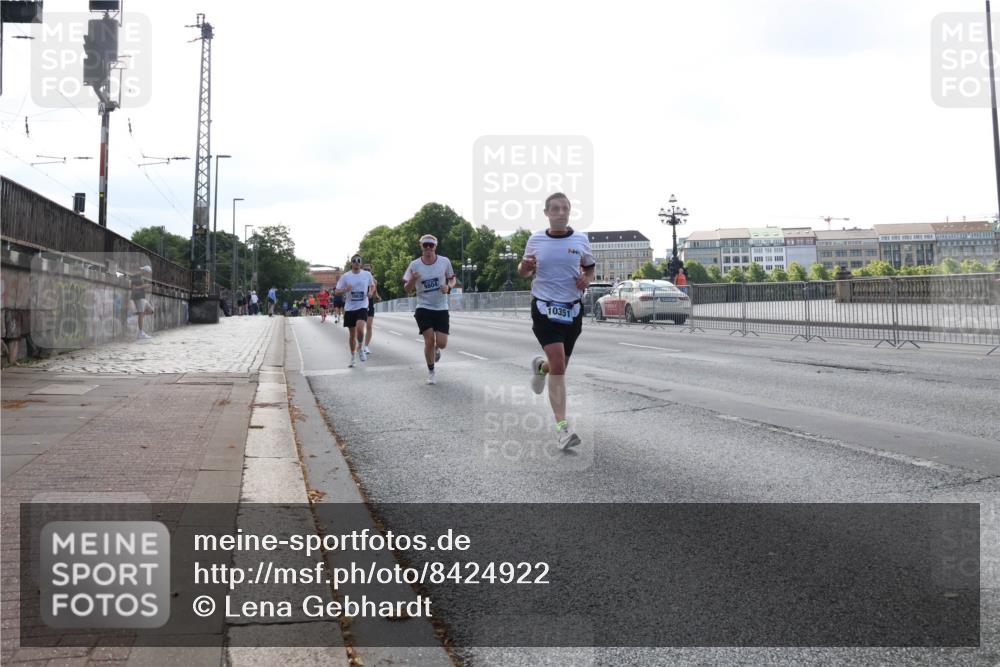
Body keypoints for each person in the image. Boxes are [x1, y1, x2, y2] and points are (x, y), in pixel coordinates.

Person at [518, 192, 595, 450]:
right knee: (560, 364)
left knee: (557, 366)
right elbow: (524, 270)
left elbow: (589, 267)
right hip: (544, 306)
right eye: (555, 209)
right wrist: (525, 266)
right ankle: (563, 429)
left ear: (569, 211)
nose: (560, 212)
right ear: (547, 213)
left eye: (565, 208)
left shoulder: (581, 239)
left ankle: (541, 368)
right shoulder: (536, 239)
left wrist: (588, 278)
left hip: (572, 309)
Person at [403, 234, 455, 385]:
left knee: (442, 343)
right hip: (423, 307)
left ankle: (437, 349)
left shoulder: (444, 262)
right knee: (429, 341)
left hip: (441, 307)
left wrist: (449, 286)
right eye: (425, 245)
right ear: (421, 247)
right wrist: (413, 279)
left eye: (430, 245)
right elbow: (406, 289)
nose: (427, 248)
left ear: (435, 247)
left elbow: (452, 278)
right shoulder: (414, 265)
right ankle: (431, 371)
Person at [335, 255, 375, 367]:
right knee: (352, 335)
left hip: (362, 306)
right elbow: (337, 291)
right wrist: (345, 289)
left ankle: (360, 347)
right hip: (349, 308)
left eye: (359, 261)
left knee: (360, 329)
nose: (356, 262)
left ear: (361, 263)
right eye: (354, 261)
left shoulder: (367, 275)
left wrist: (371, 292)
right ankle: (352, 357)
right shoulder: (345, 276)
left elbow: (372, 286)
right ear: (351, 263)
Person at [131, 265, 155, 340]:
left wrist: (144, 286)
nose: (148, 275)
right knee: (141, 313)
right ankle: (140, 333)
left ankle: (136, 316)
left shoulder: (140, 276)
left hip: (142, 297)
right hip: (138, 297)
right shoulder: (137, 275)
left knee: (151, 311)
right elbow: (133, 288)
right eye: (147, 273)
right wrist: (144, 286)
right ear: (145, 271)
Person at [362, 264, 379, 355]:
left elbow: (374, 291)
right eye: (365, 269)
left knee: (369, 326)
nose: (367, 271)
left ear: (371, 271)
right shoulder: (359, 279)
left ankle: (366, 346)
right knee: (359, 327)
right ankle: (360, 343)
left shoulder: (374, 281)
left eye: (368, 270)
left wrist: (377, 297)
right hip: (360, 305)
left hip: (370, 304)